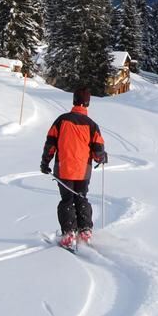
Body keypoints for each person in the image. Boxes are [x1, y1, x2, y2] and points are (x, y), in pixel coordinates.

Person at [41, 87, 108, 248]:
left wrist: (45, 162)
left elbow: (51, 143)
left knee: (67, 200)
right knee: (81, 197)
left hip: (64, 168)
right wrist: (101, 157)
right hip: (83, 170)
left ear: (73, 101)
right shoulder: (92, 125)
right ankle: (85, 230)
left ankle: (69, 233)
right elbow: (98, 148)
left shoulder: (62, 120)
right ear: (87, 103)